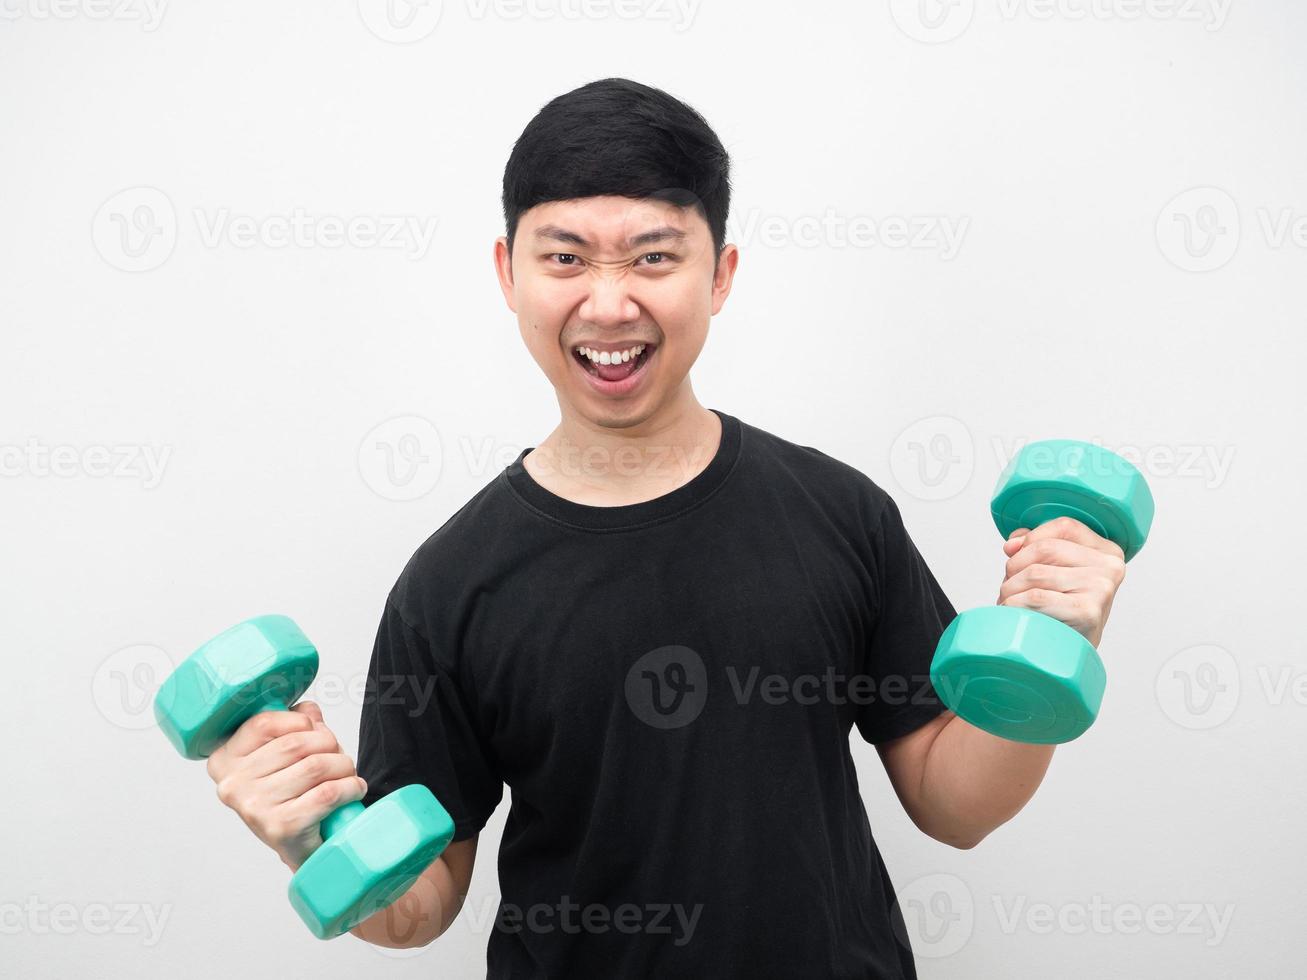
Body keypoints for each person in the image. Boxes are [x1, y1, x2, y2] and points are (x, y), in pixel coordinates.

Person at [203, 77, 1130, 978]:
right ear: (508, 272)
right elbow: (420, 905)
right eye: (564, 257)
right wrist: (304, 832)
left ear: (719, 274)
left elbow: (952, 804)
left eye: (653, 256)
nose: (608, 304)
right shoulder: (450, 583)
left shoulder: (839, 514)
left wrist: (1051, 640)